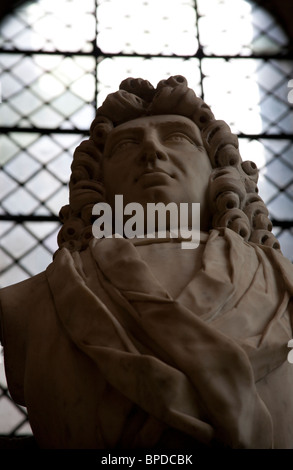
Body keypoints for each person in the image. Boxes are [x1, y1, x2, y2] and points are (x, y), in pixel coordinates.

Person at [1, 75, 293, 449]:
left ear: (219, 171)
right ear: (99, 183)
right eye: (125, 145)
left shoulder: (280, 280)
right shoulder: (35, 300)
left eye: (176, 137)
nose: (152, 152)